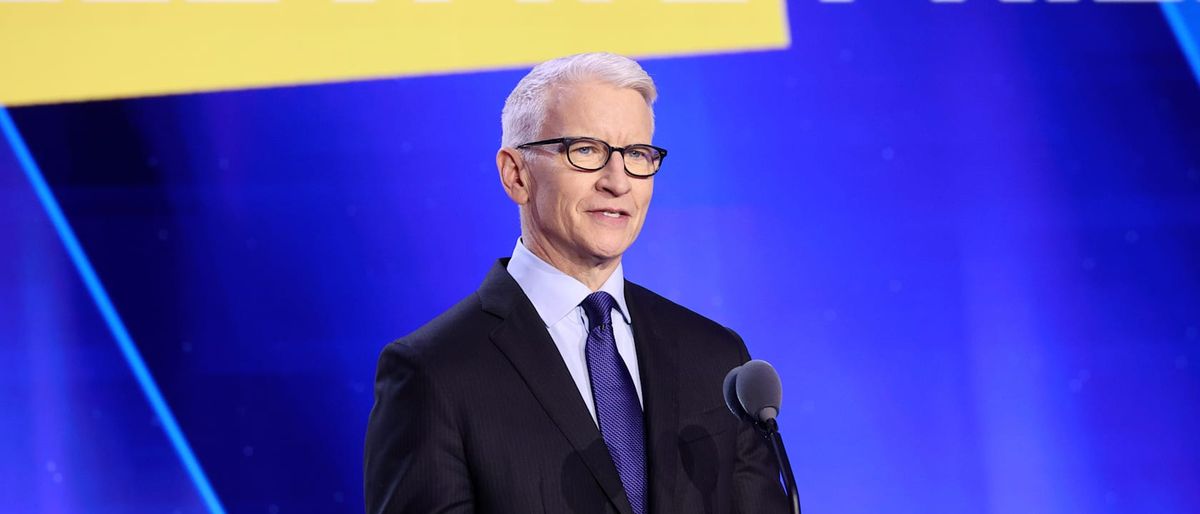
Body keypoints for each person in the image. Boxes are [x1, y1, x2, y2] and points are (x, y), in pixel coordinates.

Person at [364, 52, 789, 514]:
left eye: (637, 155)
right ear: (516, 174)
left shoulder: (716, 357)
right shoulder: (435, 372)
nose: (618, 181)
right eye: (586, 150)